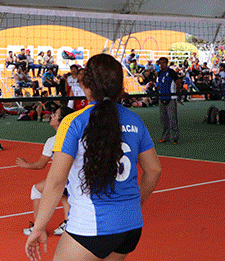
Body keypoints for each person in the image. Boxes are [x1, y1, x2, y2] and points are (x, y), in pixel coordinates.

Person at [25, 53, 162, 261]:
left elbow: (55, 181)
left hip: (92, 227)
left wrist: (39, 226)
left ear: (86, 84)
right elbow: (154, 170)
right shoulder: (134, 120)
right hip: (131, 226)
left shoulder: (73, 122)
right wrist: (135, 203)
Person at [19, 106, 74, 237]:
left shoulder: (53, 141)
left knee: (37, 189)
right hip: (77, 177)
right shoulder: (76, 136)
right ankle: (68, 223)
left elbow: (40, 165)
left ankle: (38, 227)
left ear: (62, 121)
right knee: (64, 194)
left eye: (55, 114)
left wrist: (25, 165)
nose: (51, 116)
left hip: (66, 178)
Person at [157, 57, 181, 144]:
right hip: (162, 98)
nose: (161, 65)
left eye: (163, 63)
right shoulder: (159, 73)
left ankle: (175, 138)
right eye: (160, 63)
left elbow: (178, 83)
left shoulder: (172, 72)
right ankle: (165, 137)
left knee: (172, 119)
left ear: (167, 63)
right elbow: (159, 84)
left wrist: (177, 94)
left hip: (171, 98)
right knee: (163, 119)